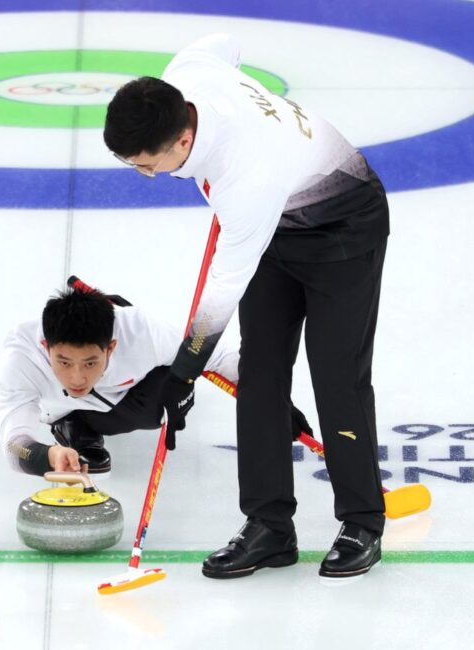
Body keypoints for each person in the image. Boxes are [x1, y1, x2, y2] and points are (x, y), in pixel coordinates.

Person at [103, 33, 391, 578]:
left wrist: (182, 373)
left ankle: (363, 521)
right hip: (275, 226)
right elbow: (225, 44)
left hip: (343, 230)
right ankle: (269, 527)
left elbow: (222, 293)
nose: (145, 175)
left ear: (183, 139)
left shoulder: (245, 178)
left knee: (337, 375)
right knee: (260, 372)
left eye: (147, 165)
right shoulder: (188, 69)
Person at [0, 285, 312, 476]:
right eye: (63, 362)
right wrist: (46, 456)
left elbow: (215, 354)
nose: (77, 377)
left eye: (91, 362)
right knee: (75, 412)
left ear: (111, 347)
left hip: (134, 401)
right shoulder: (22, 356)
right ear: (45, 347)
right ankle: (76, 429)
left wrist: (272, 403)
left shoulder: (140, 332)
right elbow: (15, 445)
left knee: (173, 378)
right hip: (66, 410)